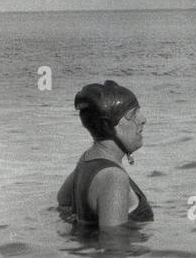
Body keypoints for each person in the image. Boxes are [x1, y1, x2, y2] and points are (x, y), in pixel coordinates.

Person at [57, 80, 153, 228]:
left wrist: (83, 235)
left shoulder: (87, 160)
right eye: (133, 113)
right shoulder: (113, 178)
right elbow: (113, 247)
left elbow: (63, 202)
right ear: (111, 125)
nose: (143, 119)